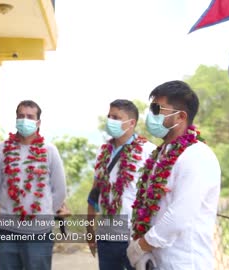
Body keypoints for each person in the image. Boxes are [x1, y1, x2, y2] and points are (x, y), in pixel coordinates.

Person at [127, 80, 221, 270]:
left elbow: (179, 216)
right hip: (156, 261)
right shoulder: (161, 154)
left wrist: (140, 246)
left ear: (180, 117)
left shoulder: (197, 155)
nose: (150, 115)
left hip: (183, 263)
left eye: (157, 109)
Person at [0, 100, 67, 270]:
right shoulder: (1, 149)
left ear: (38, 122)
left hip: (38, 234)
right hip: (6, 231)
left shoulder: (49, 151)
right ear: (16, 119)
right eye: (21, 116)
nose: (25, 120)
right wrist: (10, 207)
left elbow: (59, 190)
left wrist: (44, 212)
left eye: (30, 116)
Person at [86, 99, 156, 270]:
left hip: (132, 238)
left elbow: (154, 197)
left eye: (116, 117)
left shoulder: (148, 151)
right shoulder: (103, 151)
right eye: (109, 116)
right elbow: (95, 193)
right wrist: (89, 229)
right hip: (105, 236)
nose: (110, 120)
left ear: (131, 123)